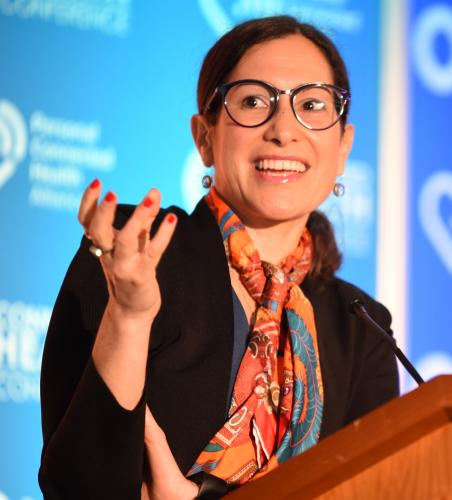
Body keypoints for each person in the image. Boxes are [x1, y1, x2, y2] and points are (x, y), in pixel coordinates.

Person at [38, 15, 399, 500]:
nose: (283, 130)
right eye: (253, 101)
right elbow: (78, 486)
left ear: (343, 148)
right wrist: (129, 317)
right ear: (205, 137)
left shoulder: (361, 327)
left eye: (312, 105)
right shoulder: (136, 250)